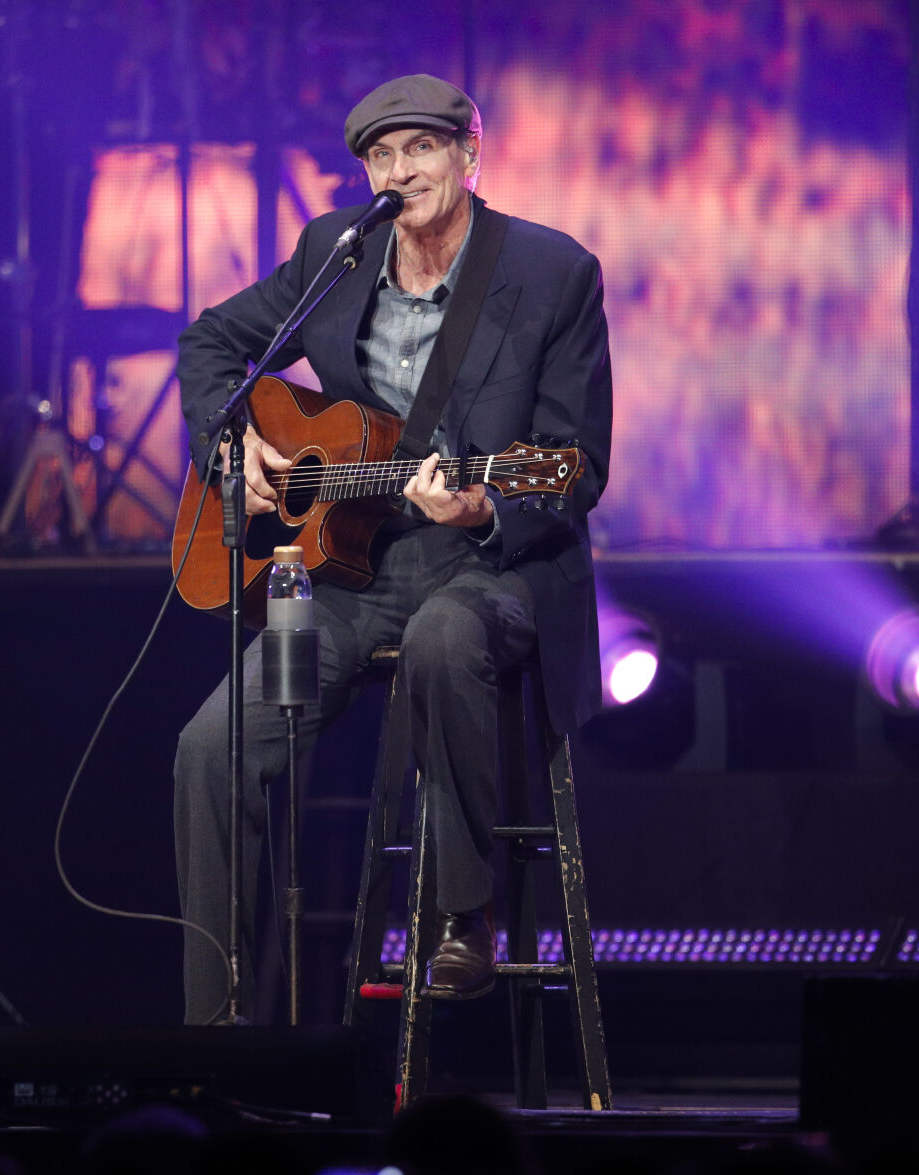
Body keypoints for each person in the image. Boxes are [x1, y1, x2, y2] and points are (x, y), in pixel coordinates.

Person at [173, 74, 613, 1025]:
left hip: (487, 569)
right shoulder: (337, 249)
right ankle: (219, 1024)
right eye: (380, 156)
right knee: (211, 745)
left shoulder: (551, 273)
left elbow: (573, 470)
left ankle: (464, 915)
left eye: (419, 148)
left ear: (468, 153)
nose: (399, 170)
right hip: (341, 580)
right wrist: (231, 443)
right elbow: (212, 341)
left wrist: (481, 509)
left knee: (442, 641)